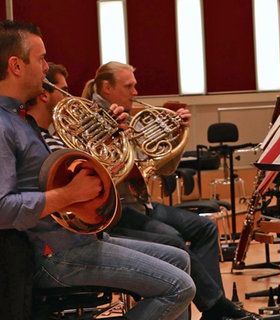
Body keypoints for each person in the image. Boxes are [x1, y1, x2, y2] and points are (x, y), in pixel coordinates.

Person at [0, 20, 195, 320]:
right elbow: (3, 208)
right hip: (54, 255)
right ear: (16, 65)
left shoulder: (21, 118)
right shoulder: (4, 125)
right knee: (179, 287)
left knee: (179, 259)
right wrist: (68, 194)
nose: (45, 66)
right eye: (40, 59)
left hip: (76, 240)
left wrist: (111, 137)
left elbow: (63, 170)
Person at [82, 61, 260, 320]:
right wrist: (113, 139)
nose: (135, 91)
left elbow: (162, 167)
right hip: (117, 211)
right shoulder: (90, 119)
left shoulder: (128, 118)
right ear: (106, 88)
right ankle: (216, 306)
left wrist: (176, 136)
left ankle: (215, 312)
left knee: (206, 228)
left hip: (142, 206)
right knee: (173, 239)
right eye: (129, 86)